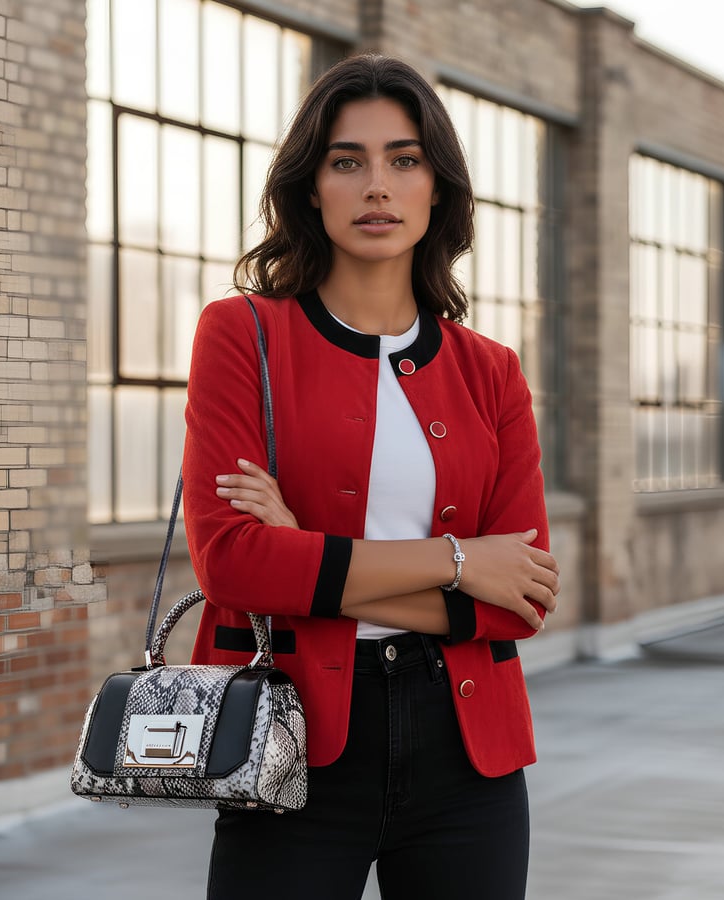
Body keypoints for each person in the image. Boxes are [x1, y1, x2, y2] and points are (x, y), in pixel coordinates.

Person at [182, 53, 560, 900]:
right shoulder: (242, 335)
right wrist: (459, 561)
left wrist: (305, 553)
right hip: (289, 741)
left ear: (438, 190)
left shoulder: (492, 371)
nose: (377, 186)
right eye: (347, 161)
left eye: (404, 159)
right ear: (311, 188)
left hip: (469, 755)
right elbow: (234, 565)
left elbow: (522, 600)